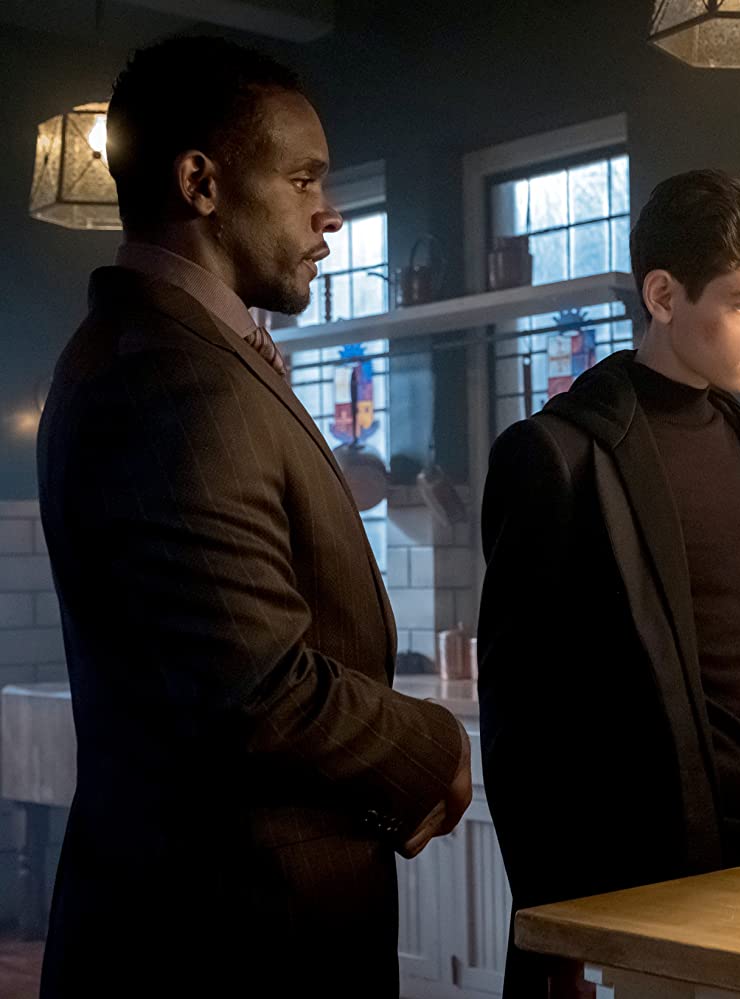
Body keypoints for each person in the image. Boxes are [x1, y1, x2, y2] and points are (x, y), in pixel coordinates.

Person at [36, 37, 471, 996]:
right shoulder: (168, 374)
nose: (330, 211)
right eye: (303, 178)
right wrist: (432, 743)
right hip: (226, 939)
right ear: (201, 183)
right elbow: (254, 687)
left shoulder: (182, 351)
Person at [478, 169, 740, 997]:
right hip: (645, 882)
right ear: (661, 295)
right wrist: (553, 924)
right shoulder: (556, 456)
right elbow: (522, 729)